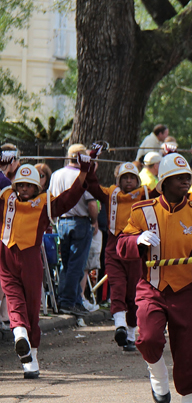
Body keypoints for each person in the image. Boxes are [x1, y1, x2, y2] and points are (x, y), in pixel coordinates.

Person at [117, 153, 192, 403]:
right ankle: (157, 373)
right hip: (150, 287)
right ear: (163, 182)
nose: (185, 182)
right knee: (147, 339)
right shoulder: (142, 211)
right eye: (178, 178)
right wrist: (135, 240)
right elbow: (121, 245)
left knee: (185, 354)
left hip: (186, 292)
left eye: (187, 177)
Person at [0, 159, 93, 379]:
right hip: (5, 255)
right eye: (20, 185)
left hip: (30, 258)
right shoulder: (5, 197)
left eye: (29, 185)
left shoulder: (46, 202)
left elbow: (70, 198)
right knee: (14, 300)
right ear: (15, 186)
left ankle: (31, 355)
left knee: (32, 306)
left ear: (37, 187)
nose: (24, 189)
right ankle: (20, 335)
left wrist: (85, 170)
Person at [85, 162, 150, 351]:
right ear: (118, 179)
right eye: (125, 178)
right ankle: (119, 326)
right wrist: (89, 166)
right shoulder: (110, 193)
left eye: (132, 177)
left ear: (137, 180)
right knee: (118, 287)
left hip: (137, 249)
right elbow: (92, 186)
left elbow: (165, 187)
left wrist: (170, 157)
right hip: (114, 248)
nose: (128, 181)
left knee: (134, 294)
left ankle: (130, 334)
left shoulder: (145, 194)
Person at [49, 144, 99, 315]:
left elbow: (52, 199)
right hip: (80, 222)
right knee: (76, 265)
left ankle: (66, 298)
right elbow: (92, 203)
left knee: (65, 264)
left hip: (61, 222)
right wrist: (95, 221)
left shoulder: (56, 175)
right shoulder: (81, 175)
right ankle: (69, 302)